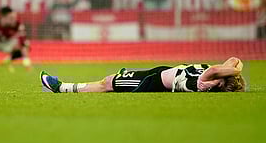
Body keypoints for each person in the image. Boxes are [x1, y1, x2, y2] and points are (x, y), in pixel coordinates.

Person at [41, 56, 245, 93]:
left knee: (108, 83)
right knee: (116, 78)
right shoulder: (213, 77)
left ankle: (62, 88)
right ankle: (126, 77)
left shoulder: (206, 82)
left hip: (153, 82)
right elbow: (233, 59)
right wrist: (234, 71)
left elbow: (219, 68)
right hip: (160, 72)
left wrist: (235, 72)